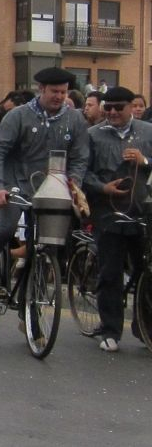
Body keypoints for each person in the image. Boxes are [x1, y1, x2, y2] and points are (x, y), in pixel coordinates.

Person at [0, 67, 89, 311]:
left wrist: (75, 184)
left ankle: (31, 311)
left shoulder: (75, 119)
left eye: (63, 92)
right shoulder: (18, 116)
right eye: (54, 91)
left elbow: (81, 156)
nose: (59, 96)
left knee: (45, 244)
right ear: (41, 90)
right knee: (5, 227)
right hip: (14, 183)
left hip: (52, 187)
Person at [82, 87, 152, 352]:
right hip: (108, 213)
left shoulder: (147, 131)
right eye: (107, 107)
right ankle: (110, 329)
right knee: (110, 272)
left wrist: (145, 159)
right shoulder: (92, 135)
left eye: (118, 107)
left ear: (131, 106)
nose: (112, 112)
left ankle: (145, 327)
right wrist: (103, 188)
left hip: (142, 211)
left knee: (145, 270)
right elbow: (82, 171)